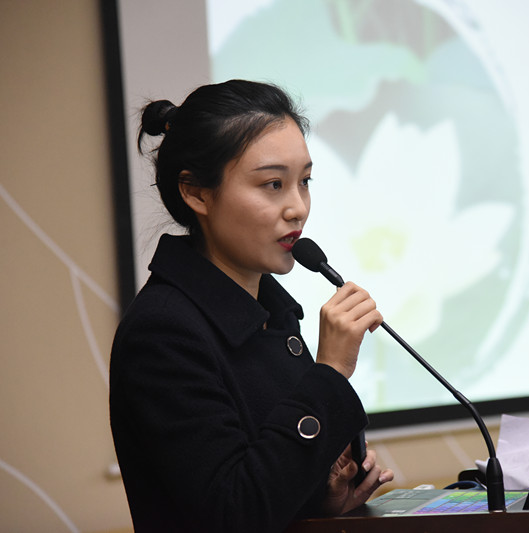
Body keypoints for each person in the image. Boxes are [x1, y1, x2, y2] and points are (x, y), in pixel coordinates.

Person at [109, 79, 394, 532]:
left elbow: (268, 484)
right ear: (196, 193)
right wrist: (329, 372)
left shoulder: (273, 314)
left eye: (304, 182)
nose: (297, 208)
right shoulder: (162, 332)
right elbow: (231, 513)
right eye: (273, 184)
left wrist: (320, 500)